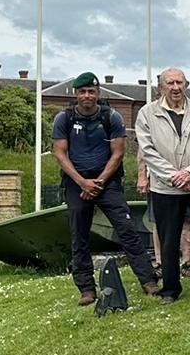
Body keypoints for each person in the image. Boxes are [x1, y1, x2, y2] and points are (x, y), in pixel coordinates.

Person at [52, 72, 160, 304]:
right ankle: (86, 289)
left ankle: (148, 281)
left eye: (92, 91)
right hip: (76, 183)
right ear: (76, 94)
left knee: (127, 230)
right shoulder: (64, 118)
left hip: (107, 182)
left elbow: (118, 152)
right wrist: (82, 182)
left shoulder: (111, 117)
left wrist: (99, 182)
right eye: (83, 92)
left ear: (98, 93)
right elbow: (60, 153)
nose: (87, 96)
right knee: (79, 236)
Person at [134, 67, 190, 303]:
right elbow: (148, 151)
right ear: (161, 87)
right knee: (169, 238)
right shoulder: (147, 113)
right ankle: (170, 289)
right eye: (169, 83)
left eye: (179, 82)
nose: (175, 87)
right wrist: (175, 176)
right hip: (166, 186)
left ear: (186, 84)